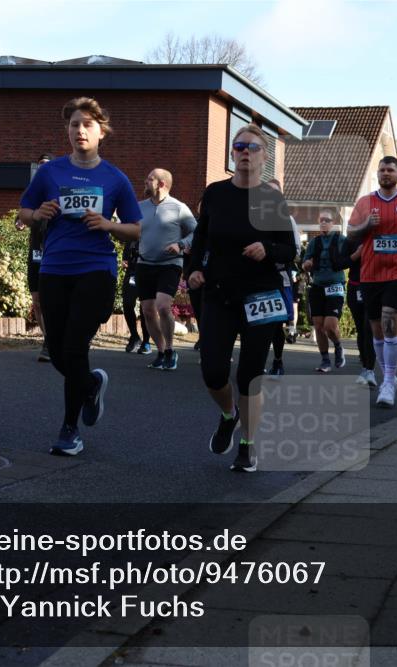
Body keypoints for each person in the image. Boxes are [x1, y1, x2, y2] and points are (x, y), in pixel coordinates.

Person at [19, 97, 142, 455]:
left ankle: (69, 430)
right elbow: (25, 212)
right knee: (57, 351)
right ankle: (90, 384)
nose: (80, 131)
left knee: (74, 346)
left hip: (95, 270)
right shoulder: (50, 172)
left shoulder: (115, 179)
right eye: (74, 125)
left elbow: (137, 229)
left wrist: (107, 224)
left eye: (87, 125)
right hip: (55, 268)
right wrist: (37, 213)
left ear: (101, 132)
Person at [188, 124, 296, 472]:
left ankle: (248, 444)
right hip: (219, 292)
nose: (246, 152)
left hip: (260, 295)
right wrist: (192, 269)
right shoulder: (215, 193)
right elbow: (200, 240)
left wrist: (267, 248)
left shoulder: (271, 198)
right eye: (239, 146)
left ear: (264, 157)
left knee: (249, 374)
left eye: (253, 147)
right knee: (212, 370)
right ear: (233, 154)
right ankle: (227, 413)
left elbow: (289, 251)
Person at [347, 156, 397, 408]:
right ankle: (388, 375)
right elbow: (350, 233)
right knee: (376, 330)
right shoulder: (365, 202)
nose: (385, 173)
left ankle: (388, 382)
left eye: (390, 169)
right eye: (381, 170)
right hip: (370, 273)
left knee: (390, 321)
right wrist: (366, 224)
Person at [137, 168, 197, 371]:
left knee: (163, 306)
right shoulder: (140, 207)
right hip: (144, 262)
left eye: (149, 179)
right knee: (147, 310)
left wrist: (180, 244)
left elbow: (197, 233)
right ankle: (161, 351)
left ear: (161, 184)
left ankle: (171, 350)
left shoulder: (179, 208)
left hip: (170, 264)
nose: (145, 181)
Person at [302, 209, 349, 372]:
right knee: (318, 325)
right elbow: (305, 261)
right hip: (317, 286)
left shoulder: (341, 239)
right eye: (321, 220)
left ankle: (338, 347)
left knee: (330, 325)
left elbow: (351, 256)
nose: (323, 223)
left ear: (333, 223)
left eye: (326, 220)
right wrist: (306, 265)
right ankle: (325, 360)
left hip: (335, 285)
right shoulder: (314, 242)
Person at [16, 153, 52, 362]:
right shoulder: (33, 192)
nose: (42, 169)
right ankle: (47, 340)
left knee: (52, 299)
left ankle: (57, 339)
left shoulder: (57, 190)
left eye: (46, 165)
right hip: (36, 250)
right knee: (37, 301)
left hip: (55, 250)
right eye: (39, 165)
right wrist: (20, 222)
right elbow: (22, 214)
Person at [264, 178, 299, 378]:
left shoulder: (287, 219)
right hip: (254, 277)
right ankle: (256, 360)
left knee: (276, 322)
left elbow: (294, 250)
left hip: (278, 276)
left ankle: (277, 361)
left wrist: (270, 252)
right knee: (255, 321)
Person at [345, 237, 377, 387]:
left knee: (368, 328)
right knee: (361, 330)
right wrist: (357, 254)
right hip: (355, 286)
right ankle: (365, 367)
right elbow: (340, 262)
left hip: (373, 286)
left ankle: (370, 370)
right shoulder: (351, 239)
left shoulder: (379, 237)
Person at [121, 238, 152, 354]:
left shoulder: (153, 227)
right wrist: (125, 258)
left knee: (146, 308)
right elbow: (128, 242)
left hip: (148, 271)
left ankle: (146, 341)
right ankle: (134, 336)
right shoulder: (135, 227)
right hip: (132, 273)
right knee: (127, 303)